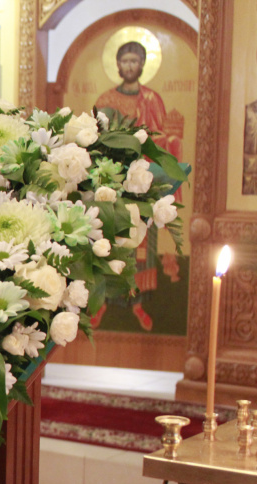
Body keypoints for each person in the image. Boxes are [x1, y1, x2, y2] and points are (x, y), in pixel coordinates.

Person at [93, 40, 178, 333]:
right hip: (111, 182)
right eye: (125, 61)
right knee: (108, 243)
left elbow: (161, 140)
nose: (129, 66)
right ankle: (101, 303)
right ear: (117, 65)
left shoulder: (152, 99)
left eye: (134, 61)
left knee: (140, 249)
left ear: (142, 65)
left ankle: (138, 304)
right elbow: (96, 136)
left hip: (143, 184)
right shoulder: (106, 98)